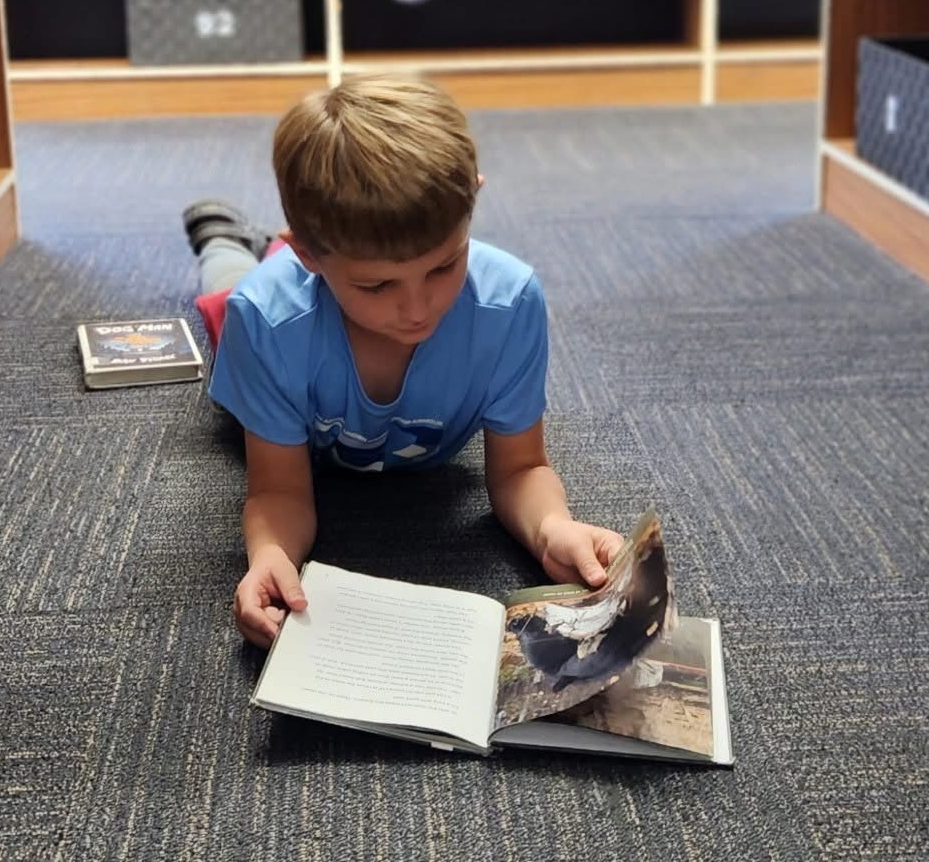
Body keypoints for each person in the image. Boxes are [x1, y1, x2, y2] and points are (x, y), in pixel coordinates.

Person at [183, 72, 626, 649]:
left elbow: (519, 469)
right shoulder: (266, 323)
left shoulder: (510, 302)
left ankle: (286, 252)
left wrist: (552, 529)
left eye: (443, 266)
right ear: (309, 255)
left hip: (315, 279)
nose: (418, 309)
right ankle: (223, 237)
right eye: (378, 285)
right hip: (271, 312)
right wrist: (270, 555)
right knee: (224, 299)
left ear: (474, 199)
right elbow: (279, 491)